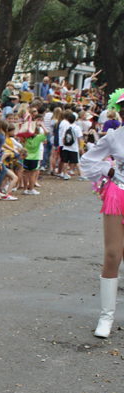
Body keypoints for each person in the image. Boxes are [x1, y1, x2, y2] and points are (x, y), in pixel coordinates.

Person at [79, 104, 124, 338]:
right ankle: (106, 316)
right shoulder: (114, 136)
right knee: (113, 254)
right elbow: (88, 160)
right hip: (118, 194)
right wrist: (109, 170)